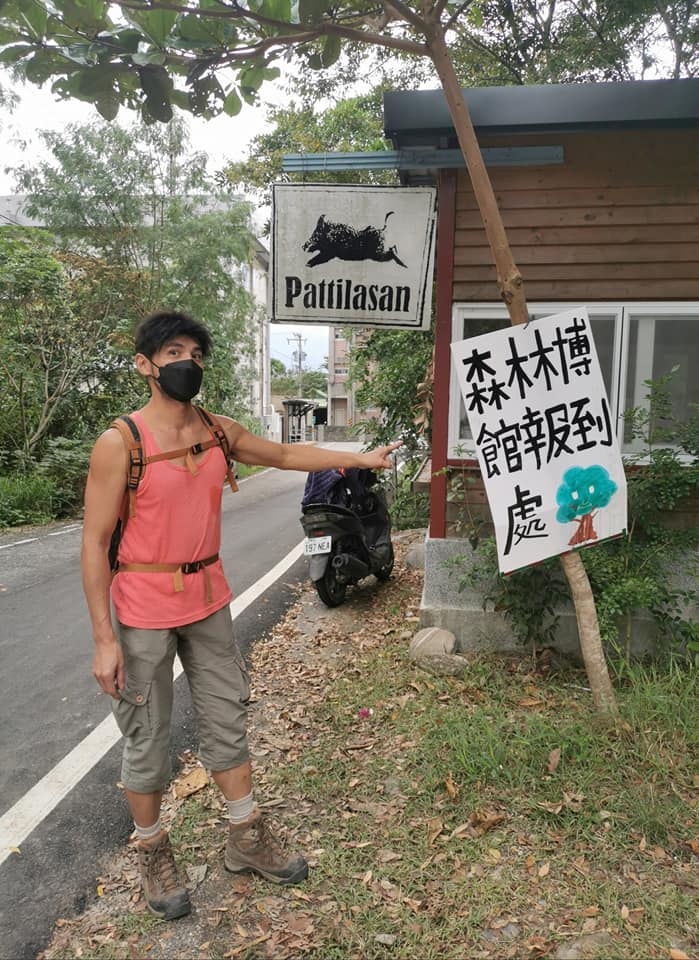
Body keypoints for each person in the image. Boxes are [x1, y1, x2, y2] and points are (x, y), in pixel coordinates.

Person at [81, 309, 400, 921]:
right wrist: (104, 639)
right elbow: (95, 544)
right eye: (174, 352)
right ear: (145, 365)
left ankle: (245, 838)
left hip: (208, 600)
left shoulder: (218, 430)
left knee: (226, 717)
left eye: (197, 354)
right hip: (143, 608)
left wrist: (360, 461)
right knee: (147, 735)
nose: (188, 364)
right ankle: (152, 851)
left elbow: (284, 453)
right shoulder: (121, 443)